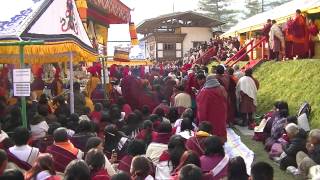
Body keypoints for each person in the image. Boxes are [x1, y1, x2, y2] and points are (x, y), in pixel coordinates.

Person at [196, 75, 228, 142]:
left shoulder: (205, 91)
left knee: (211, 128)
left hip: (210, 115)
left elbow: (201, 107)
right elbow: (226, 99)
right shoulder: (222, 88)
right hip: (221, 113)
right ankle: (221, 141)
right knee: (220, 127)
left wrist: (201, 120)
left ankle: (211, 142)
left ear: (207, 81)